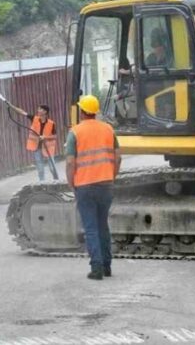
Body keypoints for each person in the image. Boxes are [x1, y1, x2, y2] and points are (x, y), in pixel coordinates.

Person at [65, 95, 121, 280]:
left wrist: (71, 183)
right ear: (95, 112)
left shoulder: (75, 132)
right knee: (103, 226)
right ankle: (107, 267)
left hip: (84, 186)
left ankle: (96, 268)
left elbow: (70, 162)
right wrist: (111, 176)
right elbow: (118, 157)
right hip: (106, 185)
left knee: (91, 228)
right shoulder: (108, 129)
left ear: (82, 112)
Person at [24, 104, 58, 182]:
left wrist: (45, 137)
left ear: (45, 112)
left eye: (40, 109)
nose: (38, 110)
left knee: (52, 167)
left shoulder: (51, 123)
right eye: (38, 109)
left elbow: (55, 136)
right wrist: (11, 106)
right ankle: (42, 183)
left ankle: (56, 181)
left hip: (48, 148)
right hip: (37, 147)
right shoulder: (34, 118)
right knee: (40, 168)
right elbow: (22, 112)